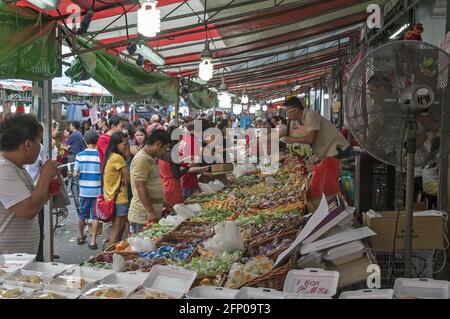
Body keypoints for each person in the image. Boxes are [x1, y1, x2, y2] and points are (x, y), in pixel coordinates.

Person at [0, 114, 58, 254]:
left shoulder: (16, 168)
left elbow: (34, 204)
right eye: (39, 141)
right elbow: (28, 211)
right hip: (6, 262)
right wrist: (44, 175)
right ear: (28, 144)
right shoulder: (3, 169)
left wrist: (50, 189)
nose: (40, 147)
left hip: (17, 261)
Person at [283, 96, 350, 200]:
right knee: (333, 185)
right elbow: (298, 139)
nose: (286, 115)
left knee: (341, 185)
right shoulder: (298, 122)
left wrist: (291, 140)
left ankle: (345, 208)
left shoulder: (311, 115)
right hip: (326, 154)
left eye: (287, 112)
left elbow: (310, 139)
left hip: (338, 150)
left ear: (295, 110)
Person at [129, 130, 171, 234]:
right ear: (158, 144)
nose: (164, 152)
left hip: (150, 214)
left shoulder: (150, 158)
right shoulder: (141, 159)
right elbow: (140, 187)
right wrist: (150, 211)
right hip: (143, 216)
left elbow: (149, 185)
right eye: (164, 149)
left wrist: (163, 202)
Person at [73, 131, 102, 250]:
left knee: (82, 215)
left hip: (84, 191)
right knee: (95, 216)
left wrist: (77, 174)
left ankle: (80, 237)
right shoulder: (100, 155)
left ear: (85, 141)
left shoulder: (80, 155)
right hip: (97, 190)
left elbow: (75, 173)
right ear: (97, 141)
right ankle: (93, 241)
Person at [103, 132, 130, 245]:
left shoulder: (110, 156)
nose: (126, 146)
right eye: (125, 144)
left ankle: (112, 255)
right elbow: (128, 179)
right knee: (117, 231)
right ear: (117, 144)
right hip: (119, 199)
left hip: (111, 197)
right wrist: (127, 154)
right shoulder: (118, 158)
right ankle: (110, 257)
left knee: (117, 231)